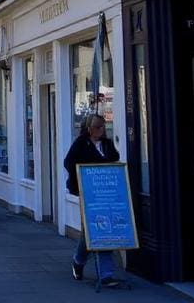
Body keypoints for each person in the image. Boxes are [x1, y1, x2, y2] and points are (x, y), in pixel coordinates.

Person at [64, 113, 121, 287]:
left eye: (103, 126)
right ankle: (78, 261)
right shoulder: (81, 143)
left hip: (107, 193)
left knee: (106, 229)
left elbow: (115, 158)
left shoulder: (107, 144)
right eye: (97, 127)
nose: (101, 130)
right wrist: (86, 171)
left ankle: (106, 275)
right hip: (88, 193)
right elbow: (68, 162)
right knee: (90, 231)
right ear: (89, 128)